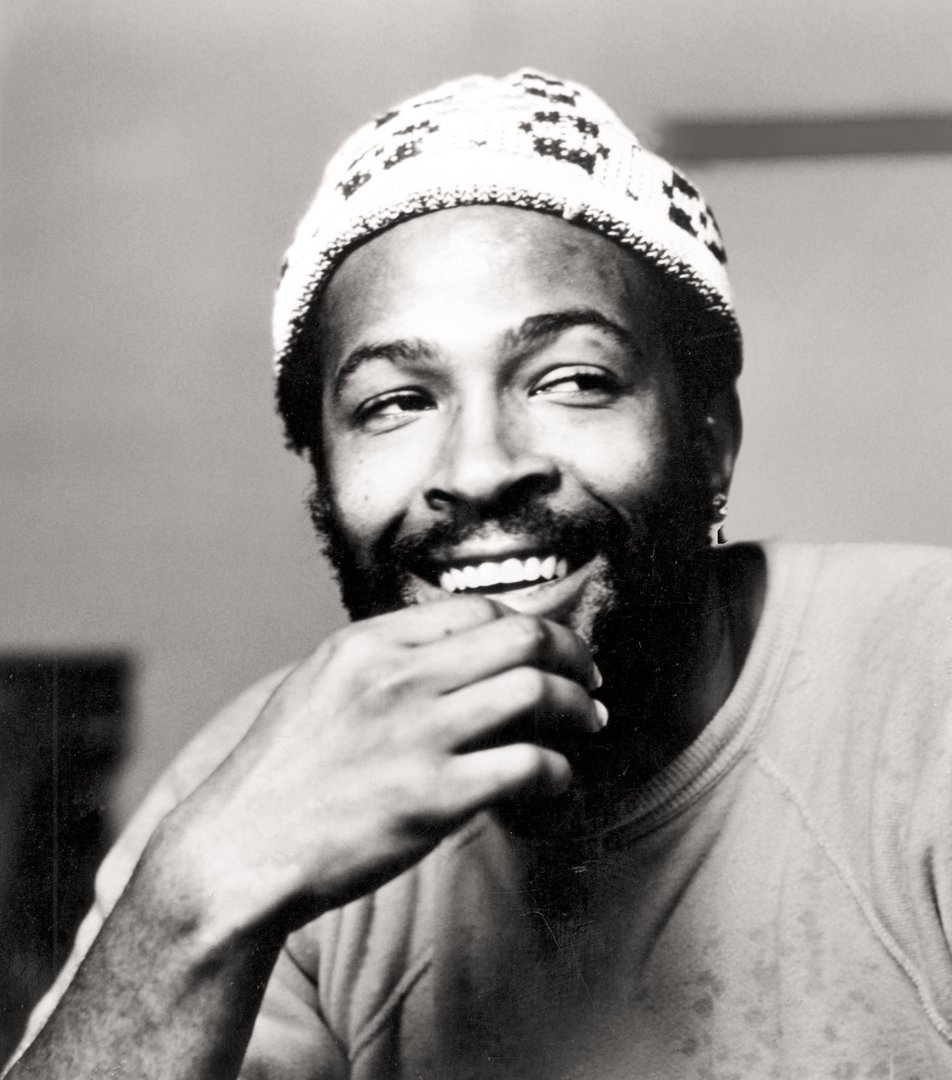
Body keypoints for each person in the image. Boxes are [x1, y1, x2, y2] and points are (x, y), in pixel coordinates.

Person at [6, 69, 952, 1079]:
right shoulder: (260, 782)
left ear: (709, 440)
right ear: (322, 477)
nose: (478, 468)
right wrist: (193, 903)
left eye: (572, 381)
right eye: (395, 403)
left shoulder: (926, 691)